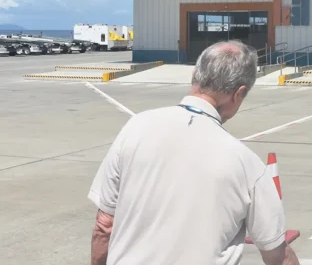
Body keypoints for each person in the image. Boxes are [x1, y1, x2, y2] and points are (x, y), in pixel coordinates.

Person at [88, 41, 298, 265]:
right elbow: (278, 255)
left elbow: (104, 226)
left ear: (194, 75)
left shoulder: (135, 127)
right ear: (239, 94)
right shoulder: (246, 164)